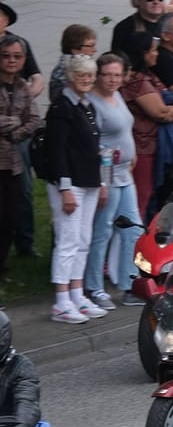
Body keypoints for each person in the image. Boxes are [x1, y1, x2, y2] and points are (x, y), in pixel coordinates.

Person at [45, 56, 107, 324]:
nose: (87, 79)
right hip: (70, 184)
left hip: (89, 181)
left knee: (82, 241)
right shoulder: (62, 106)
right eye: (81, 75)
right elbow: (56, 151)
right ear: (71, 76)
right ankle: (61, 300)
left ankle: (77, 293)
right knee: (67, 241)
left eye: (90, 75)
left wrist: (102, 181)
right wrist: (65, 187)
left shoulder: (86, 105)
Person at [83, 53, 139, 307]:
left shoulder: (116, 95)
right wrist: (102, 183)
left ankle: (130, 284)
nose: (114, 80)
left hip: (125, 173)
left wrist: (132, 152)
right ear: (98, 75)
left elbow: (124, 129)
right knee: (102, 231)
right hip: (108, 176)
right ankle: (94, 287)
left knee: (133, 229)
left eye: (118, 74)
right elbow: (94, 144)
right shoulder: (92, 103)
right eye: (108, 75)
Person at [0, 37, 37, 284]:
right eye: (6, 56)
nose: (11, 61)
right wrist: (10, 122)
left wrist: (16, 131)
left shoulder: (23, 87)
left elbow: (34, 120)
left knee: (9, 216)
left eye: (17, 56)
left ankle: (2, 267)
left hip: (12, 162)